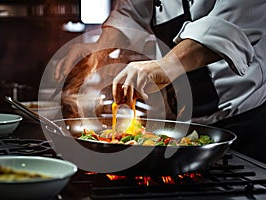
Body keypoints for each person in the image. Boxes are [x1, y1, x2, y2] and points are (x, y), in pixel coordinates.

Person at [54, 0, 266, 163]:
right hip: (183, 124)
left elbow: (236, 18)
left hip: (244, 119)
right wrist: (98, 50)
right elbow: (130, 14)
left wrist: (168, 65)